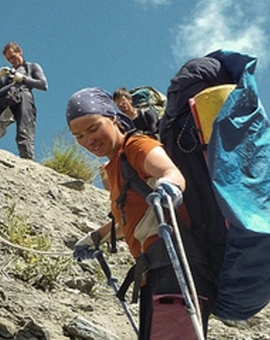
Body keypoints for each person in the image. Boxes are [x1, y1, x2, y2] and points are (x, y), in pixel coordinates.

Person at [66, 87, 213, 339]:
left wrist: (170, 186)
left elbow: (171, 173)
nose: (88, 141)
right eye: (78, 135)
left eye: (93, 128)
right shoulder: (114, 166)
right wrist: (96, 237)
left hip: (175, 266)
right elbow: (136, 219)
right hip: (155, 272)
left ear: (112, 119)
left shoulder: (136, 145)